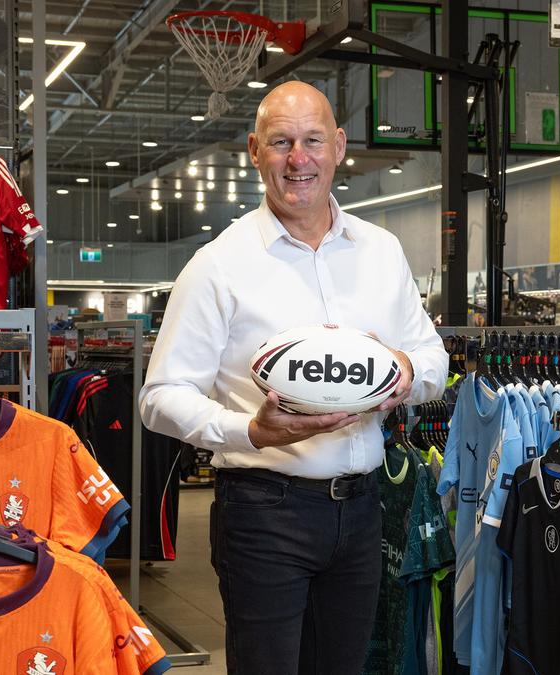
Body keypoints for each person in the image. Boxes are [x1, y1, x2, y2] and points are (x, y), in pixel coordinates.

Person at [139, 81, 449, 674]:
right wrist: (250, 431)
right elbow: (160, 397)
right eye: (281, 142)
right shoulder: (219, 265)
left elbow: (432, 358)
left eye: (312, 141)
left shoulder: (381, 252)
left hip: (364, 507)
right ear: (255, 151)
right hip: (264, 511)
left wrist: (406, 372)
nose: (298, 159)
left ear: (339, 147)